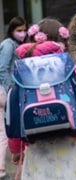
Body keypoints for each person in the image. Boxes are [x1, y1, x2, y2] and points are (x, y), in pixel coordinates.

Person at [9, 18, 76, 179]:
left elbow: (14, 114)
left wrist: (16, 150)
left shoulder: (23, 75)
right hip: (73, 148)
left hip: (37, 151)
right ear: (64, 41)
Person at [0, 16, 27, 178]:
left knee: (3, 131)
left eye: (24, 30)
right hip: (5, 91)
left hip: (5, 90)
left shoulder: (14, 44)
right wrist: (10, 88)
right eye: (19, 30)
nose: (22, 33)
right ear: (11, 30)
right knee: (6, 130)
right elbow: (2, 68)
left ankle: (2, 168)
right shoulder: (8, 45)